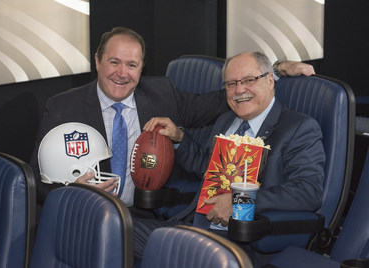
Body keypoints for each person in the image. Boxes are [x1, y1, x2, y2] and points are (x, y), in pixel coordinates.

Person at [29, 26, 316, 212]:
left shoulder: (163, 94)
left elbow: (234, 95)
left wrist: (276, 70)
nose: (122, 73)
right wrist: (70, 192)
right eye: (114, 62)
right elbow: (37, 182)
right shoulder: (62, 108)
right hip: (84, 213)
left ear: (142, 68)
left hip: (148, 214)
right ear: (97, 61)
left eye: (132, 65)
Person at [133, 51, 325, 264]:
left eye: (249, 80)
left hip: (238, 243)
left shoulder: (299, 128)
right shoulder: (226, 121)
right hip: (196, 227)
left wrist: (238, 202)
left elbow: (308, 191)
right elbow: (206, 167)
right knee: (113, 228)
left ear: (270, 80)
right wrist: (179, 138)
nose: (239, 90)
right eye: (231, 84)